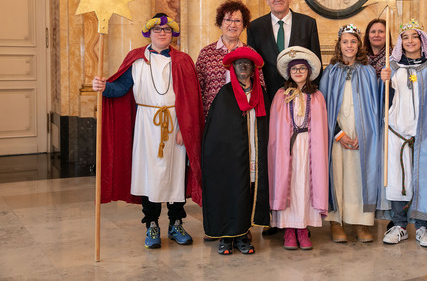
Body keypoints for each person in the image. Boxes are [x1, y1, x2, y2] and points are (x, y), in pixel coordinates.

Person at [92, 13, 204, 249]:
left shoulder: (183, 60)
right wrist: (103, 86)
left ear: (172, 34)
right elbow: (120, 89)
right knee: (148, 174)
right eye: (157, 29)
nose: (162, 33)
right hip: (145, 124)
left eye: (166, 30)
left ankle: (176, 223)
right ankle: (151, 223)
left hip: (175, 123)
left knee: (175, 175)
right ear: (148, 33)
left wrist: (187, 127)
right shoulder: (136, 59)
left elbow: (191, 98)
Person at [379, 19, 427, 247]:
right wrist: (383, 81)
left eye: (414, 37)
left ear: (422, 41)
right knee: (398, 180)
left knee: (423, 180)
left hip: (424, 135)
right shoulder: (392, 68)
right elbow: (383, 100)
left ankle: (422, 228)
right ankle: (399, 226)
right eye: (404, 37)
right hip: (397, 132)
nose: (409, 41)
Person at [201, 47, 270, 255]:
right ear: (233, 68)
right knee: (229, 190)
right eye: (239, 64)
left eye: (247, 65)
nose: (243, 68)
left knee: (248, 192)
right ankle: (226, 235)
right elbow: (218, 128)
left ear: (252, 71)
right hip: (230, 156)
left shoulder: (260, 94)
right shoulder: (225, 94)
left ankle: (242, 234)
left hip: (253, 153)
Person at [319, 24, 383, 243]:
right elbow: (324, 108)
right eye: (345, 42)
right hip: (337, 135)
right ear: (339, 45)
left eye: (353, 41)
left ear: (359, 45)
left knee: (359, 176)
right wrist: (339, 134)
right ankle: (336, 222)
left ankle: (361, 223)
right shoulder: (331, 72)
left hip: (361, 135)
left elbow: (374, 106)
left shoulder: (367, 72)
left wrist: (364, 135)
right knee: (337, 175)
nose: (349, 46)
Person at [268, 46, 329, 250]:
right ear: (289, 73)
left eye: (303, 68)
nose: (299, 72)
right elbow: (276, 128)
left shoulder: (317, 96)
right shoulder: (281, 95)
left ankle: (303, 229)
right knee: (290, 185)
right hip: (288, 148)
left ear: (309, 72)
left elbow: (321, 127)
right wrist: (282, 149)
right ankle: (288, 231)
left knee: (305, 185)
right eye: (295, 69)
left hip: (310, 148)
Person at [247, 0, 322, 103]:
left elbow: (316, 64)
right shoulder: (255, 27)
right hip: (267, 99)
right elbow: (252, 68)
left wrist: (312, 97)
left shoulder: (308, 24)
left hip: (302, 99)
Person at [196, 0, 264, 117]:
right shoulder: (206, 53)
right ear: (220, 23)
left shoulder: (251, 53)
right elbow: (197, 90)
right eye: (228, 20)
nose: (233, 25)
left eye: (237, 21)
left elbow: (260, 87)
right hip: (214, 117)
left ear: (243, 25)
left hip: (244, 117)